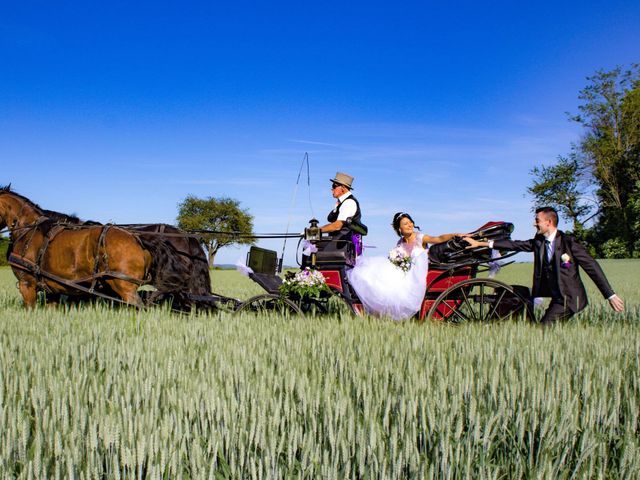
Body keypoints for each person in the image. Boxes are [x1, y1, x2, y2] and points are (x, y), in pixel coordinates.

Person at [463, 207, 624, 325]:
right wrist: (480, 243)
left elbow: (592, 267)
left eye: (537, 220)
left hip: (570, 299)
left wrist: (610, 295)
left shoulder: (569, 242)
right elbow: (515, 245)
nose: (534, 224)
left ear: (549, 222)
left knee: (543, 330)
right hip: (557, 298)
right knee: (548, 330)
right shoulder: (539, 242)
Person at [346, 212, 463, 321]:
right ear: (399, 229)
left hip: (417, 273)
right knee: (373, 276)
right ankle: (376, 314)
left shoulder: (420, 238)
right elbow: (396, 258)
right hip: (403, 271)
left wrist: (454, 235)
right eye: (405, 224)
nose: (410, 225)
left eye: (410, 222)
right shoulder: (400, 242)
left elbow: (438, 239)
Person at [320, 172, 362, 239]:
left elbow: (337, 226)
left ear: (343, 187)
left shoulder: (349, 203)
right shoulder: (340, 203)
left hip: (342, 246)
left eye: (334, 186)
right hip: (336, 244)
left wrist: (315, 231)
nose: (332, 189)